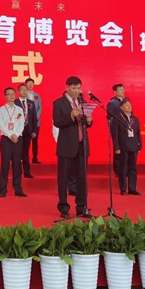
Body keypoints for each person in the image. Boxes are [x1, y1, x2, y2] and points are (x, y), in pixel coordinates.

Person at [53, 76, 93, 219]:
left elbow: (86, 124)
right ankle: (63, 207)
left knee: (82, 178)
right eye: (74, 88)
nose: (77, 91)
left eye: (78, 88)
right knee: (63, 178)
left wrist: (89, 120)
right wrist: (70, 115)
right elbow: (57, 122)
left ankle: (82, 207)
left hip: (82, 145)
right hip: (66, 146)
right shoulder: (59, 103)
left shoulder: (82, 102)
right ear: (67, 87)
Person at [0, 87, 27, 198]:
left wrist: (16, 134)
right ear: (5, 96)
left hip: (18, 139)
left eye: (13, 94)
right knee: (5, 165)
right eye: (9, 94)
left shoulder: (19, 109)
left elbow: (21, 124)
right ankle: (2, 189)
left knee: (17, 165)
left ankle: (18, 189)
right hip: (6, 139)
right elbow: (1, 125)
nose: (11, 96)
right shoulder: (1, 110)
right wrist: (10, 135)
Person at [111, 99, 142, 196]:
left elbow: (138, 133)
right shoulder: (117, 118)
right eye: (126, 105)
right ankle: (123, 188)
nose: (129, 106)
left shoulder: (135, 119)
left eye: (130, 105)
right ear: (121, 107)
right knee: (123, 168)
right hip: (123, 146)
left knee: (133, 168)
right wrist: (116, 147)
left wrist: (139, 145)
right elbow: (114, 134)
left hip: (133, 145)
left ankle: (132, 188)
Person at [15, 84, 38, 179]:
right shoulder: (15, 102)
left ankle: (27, 171)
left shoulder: (31, 103)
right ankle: (17, 172)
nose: (24, 91)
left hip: (28, 130)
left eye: (25, 90)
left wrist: (34, 130)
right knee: (17, 152)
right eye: (22, 90)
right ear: (18, 91)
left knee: (25, 152)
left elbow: (34, 118)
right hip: (17, 131)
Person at [107, 84, 127, 175]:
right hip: (117, 128)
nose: (122, 91)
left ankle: (126, 168)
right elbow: (109, 116)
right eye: (120, 89)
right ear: (115, 92)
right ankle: (118, 170)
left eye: (123, 89)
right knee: (118, 149)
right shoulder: (112, 103)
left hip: (126, 128)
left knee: (126, 148)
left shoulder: (127, 101)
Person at [25, 78, 43, 164]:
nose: (30, 85)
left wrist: (36, 118)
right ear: (26, 84)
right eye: (28, 83)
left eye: (32, 83)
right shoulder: (24, 95)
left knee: (35, 140)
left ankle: (35, 158)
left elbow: (40, 107)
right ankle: (24, 158)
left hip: (36, 122)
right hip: (26, 122)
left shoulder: (37, 96)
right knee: (26, 141)